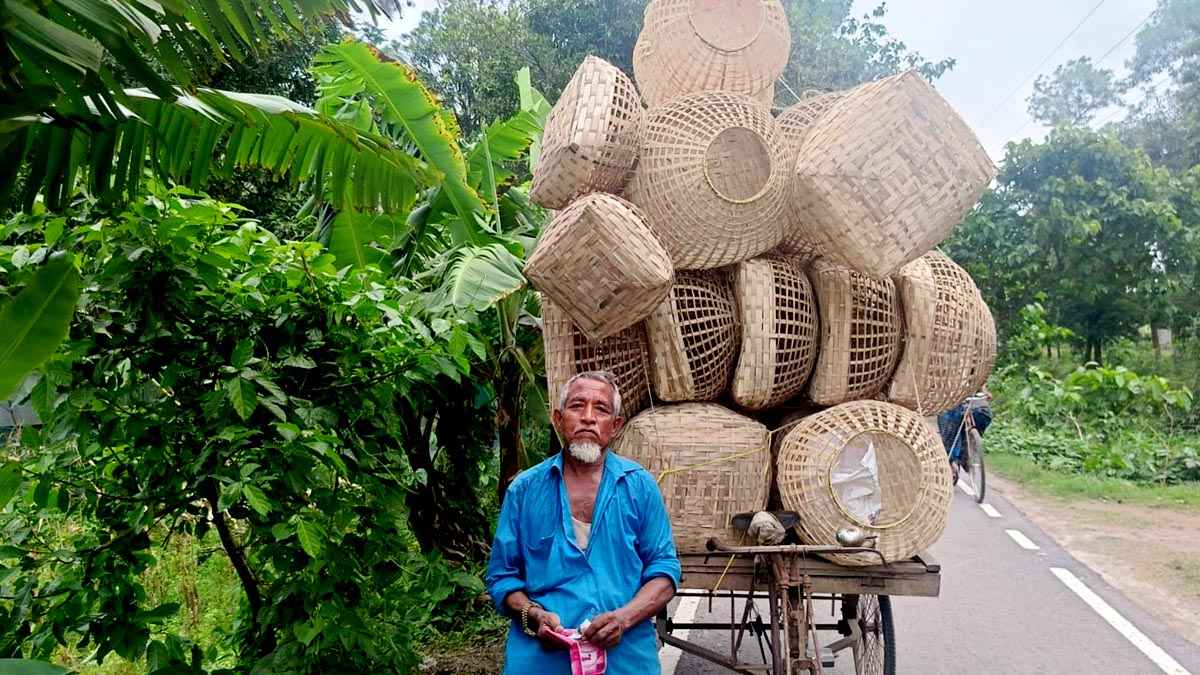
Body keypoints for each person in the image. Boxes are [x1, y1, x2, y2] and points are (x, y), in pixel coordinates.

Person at [486, 371, 680, 675]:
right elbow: (502, 577)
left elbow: (665, 571)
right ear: (559, 418)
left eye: (601, 409)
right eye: (577, 406)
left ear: (615, 426)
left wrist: (623, 619)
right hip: (541, 660)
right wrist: (533, 613)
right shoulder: (524, 490)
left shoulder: (639, 486)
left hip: (625, 659)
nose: (588, 417)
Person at [938, 386, 994, 467]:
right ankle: (952, 462)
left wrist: (984, 392)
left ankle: (970, 445)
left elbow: (979, 380)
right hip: (950, 399)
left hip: (970, 399)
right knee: (949, 422)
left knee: (984, 414)